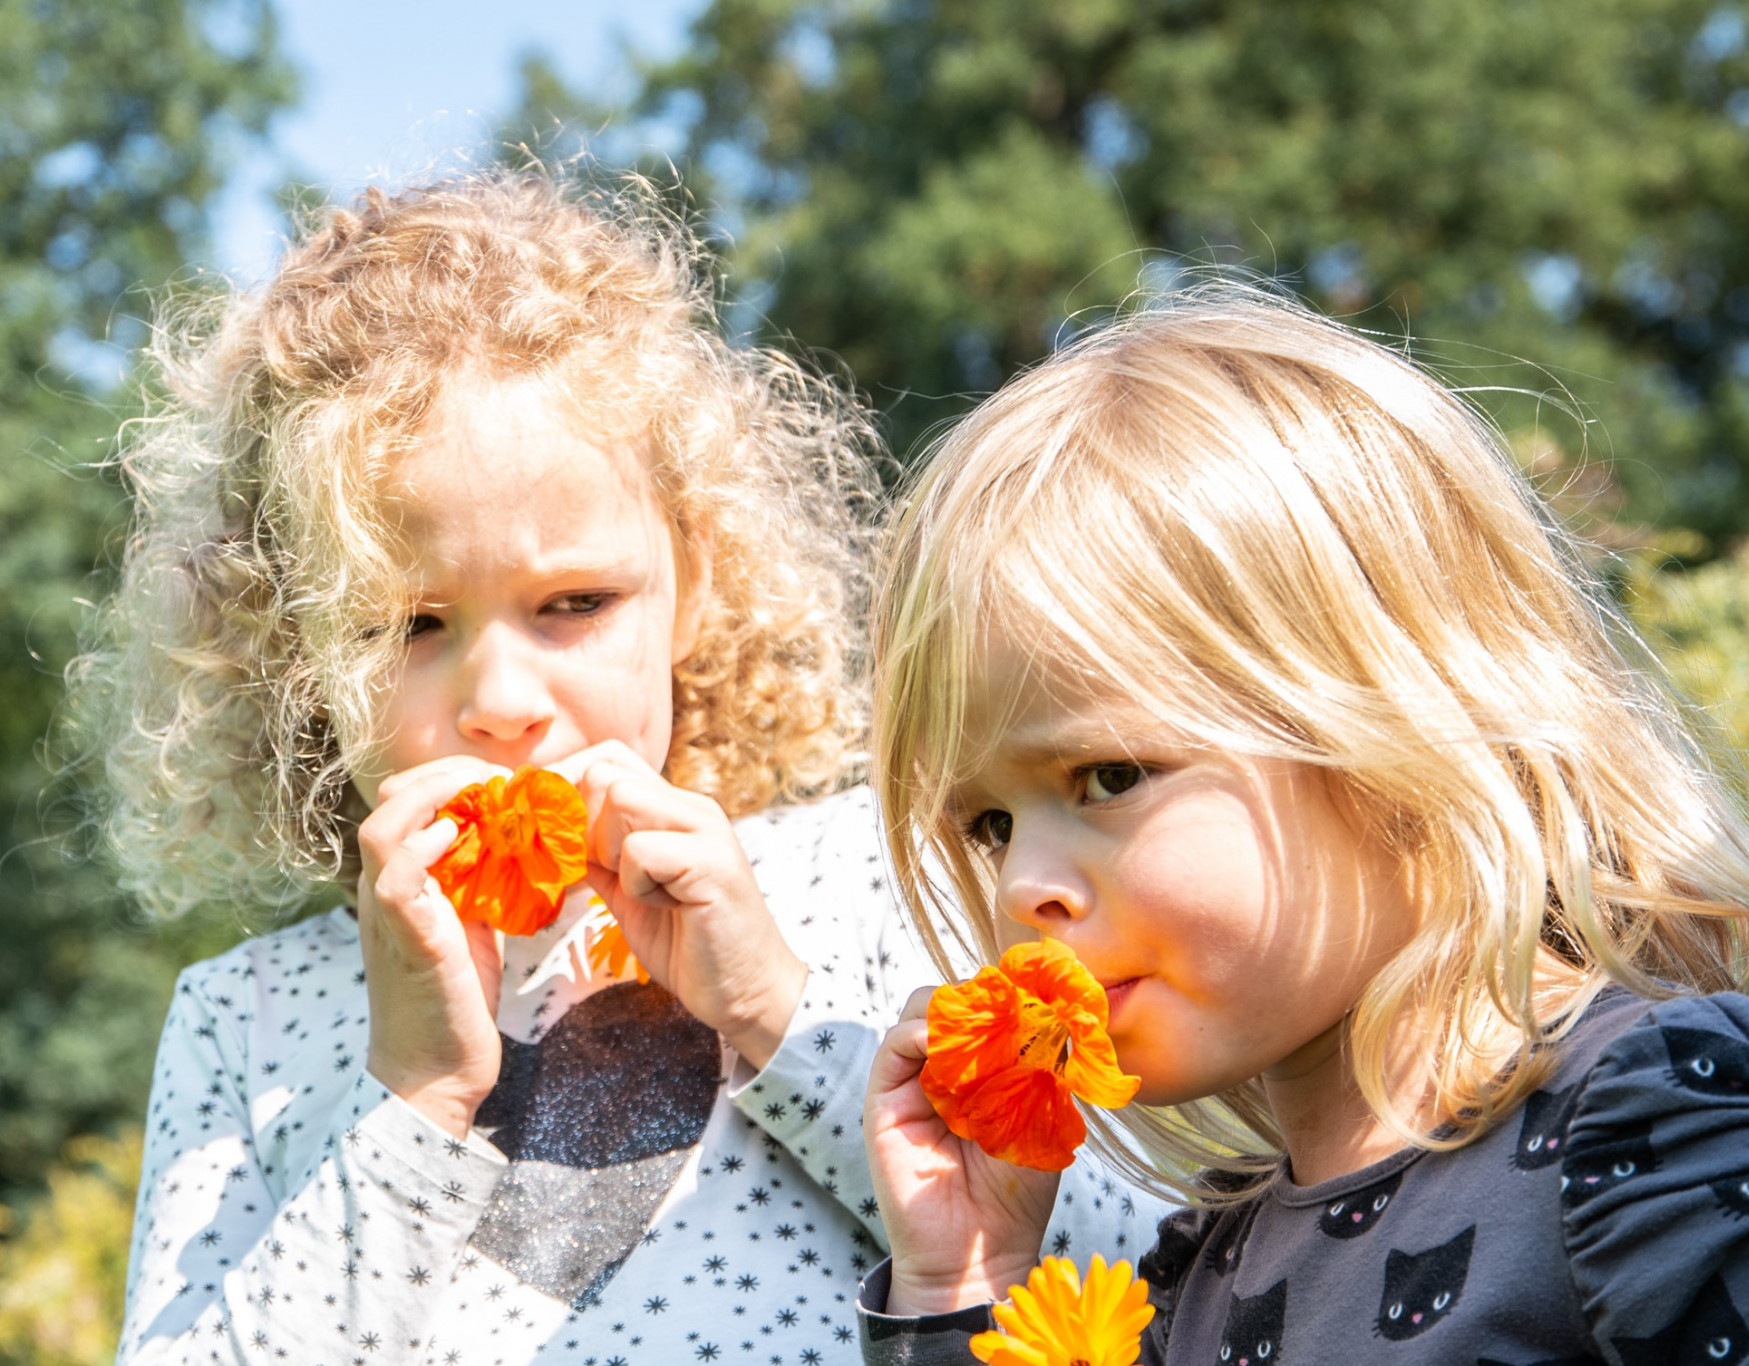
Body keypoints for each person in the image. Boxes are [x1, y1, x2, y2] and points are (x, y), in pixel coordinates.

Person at [82, 173, 1164, 1366]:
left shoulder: (880, 878)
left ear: (693, 583)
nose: (500, 705)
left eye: (574, 603)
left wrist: (774, 1015)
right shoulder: (251, 1018)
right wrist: (413, 1095)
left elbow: (1137, 1282)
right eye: (406, 626)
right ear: (295, 652)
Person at [853, 290, 1749, 1364]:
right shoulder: (1210, 1276)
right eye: (989, 823)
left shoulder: (1659, 1123)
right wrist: (970, 1273)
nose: (1020, 890)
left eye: (1107, 773)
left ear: (1396, 727)